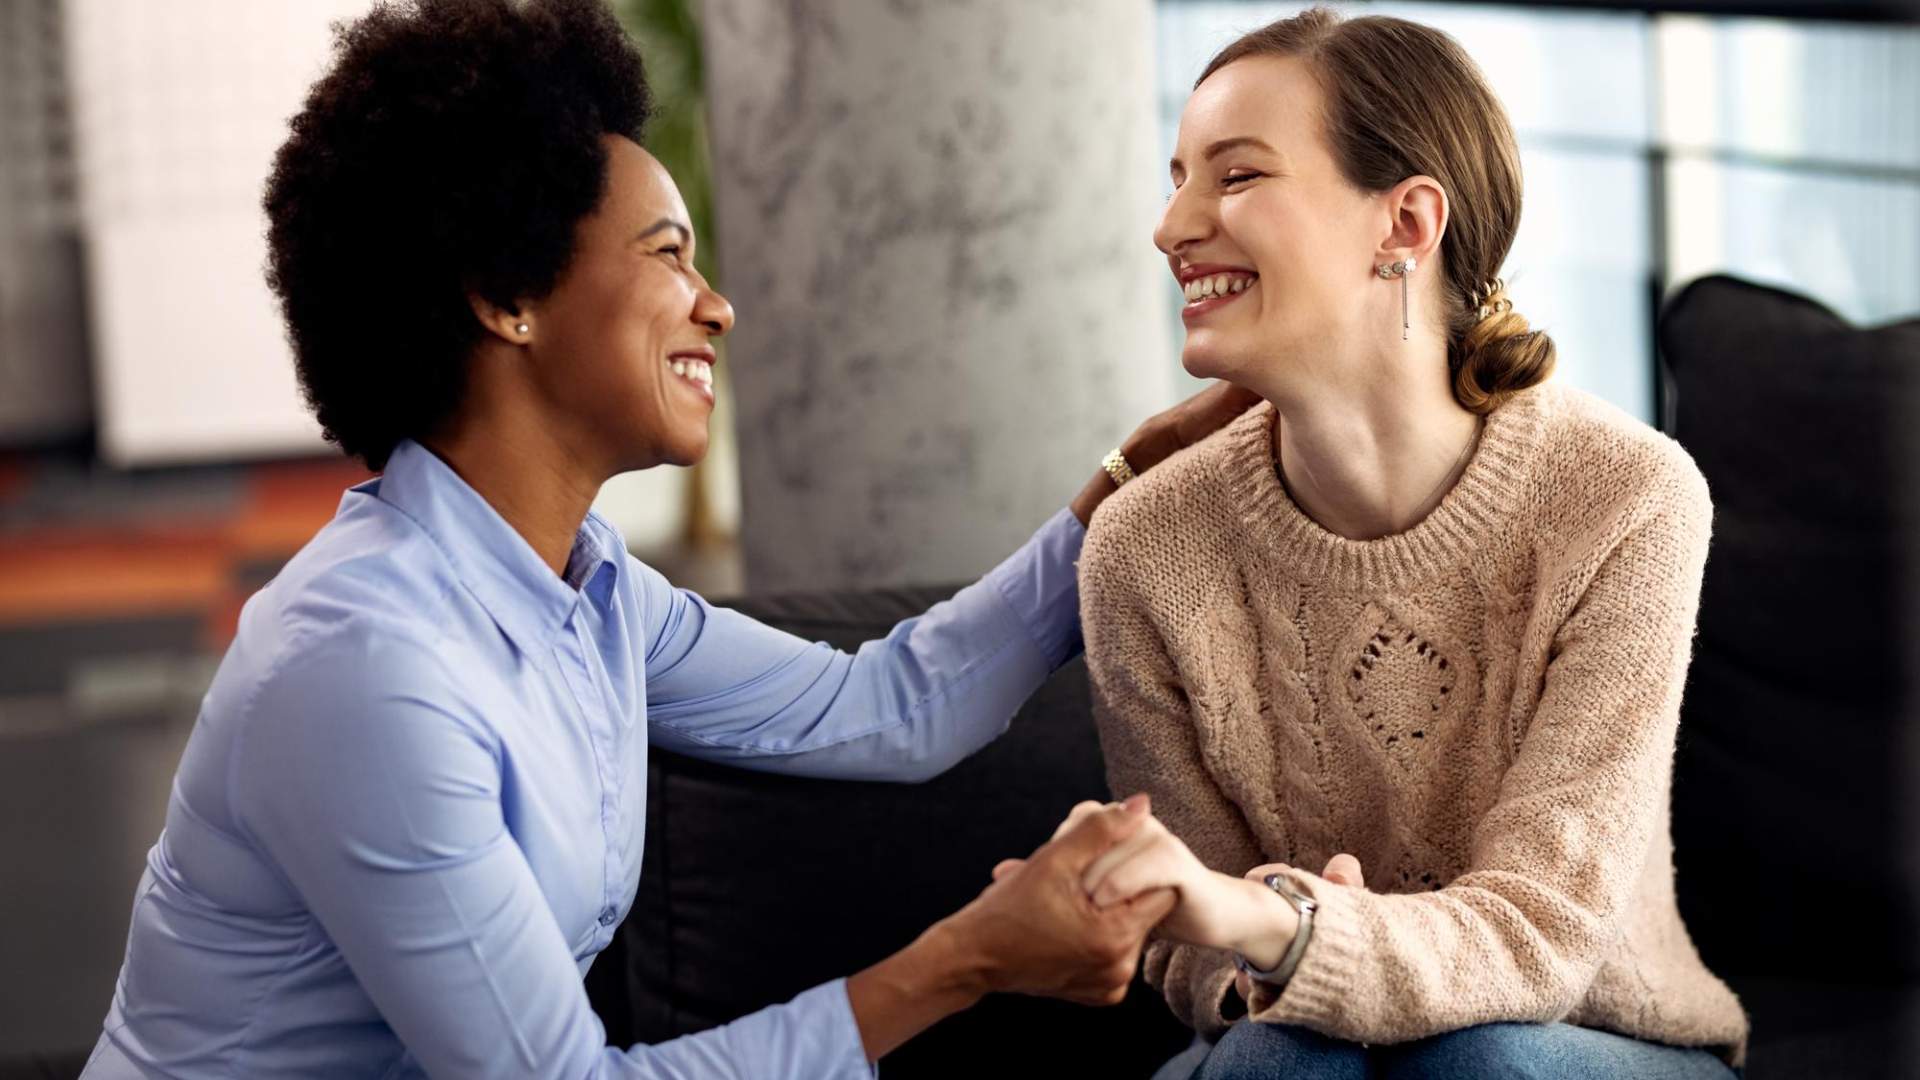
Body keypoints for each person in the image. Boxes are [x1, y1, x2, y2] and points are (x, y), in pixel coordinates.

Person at [78, 1, 1257, 1076]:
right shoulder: (368, 672)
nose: (717, 304)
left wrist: (1120, 484)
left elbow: (890, 706)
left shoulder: (587, 586)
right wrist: (967, 960)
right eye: (666, 253)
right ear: (507, 294)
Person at [1061, 8, 1750, 1078]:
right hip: (1286, 1041)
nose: (1171, 226)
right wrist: (1264, 955)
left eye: (1235, 177)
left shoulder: (1626, 499)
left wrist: (1287, 926)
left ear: (1407, 223)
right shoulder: (1145, 546)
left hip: (1585, 1039)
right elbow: (1190, 947)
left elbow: (1542, 933)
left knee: (1480, 1062)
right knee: (1278, 1059)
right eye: (1178, 178)